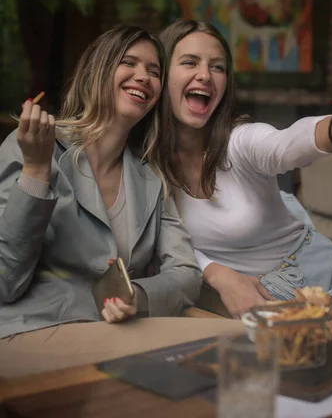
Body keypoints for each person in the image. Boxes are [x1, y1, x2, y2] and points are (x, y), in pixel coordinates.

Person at [150, 20, 332, 319]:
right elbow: (159, 238)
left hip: (326, 278)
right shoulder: (147, 162)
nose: (205, 75)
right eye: (190, 62)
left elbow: (286, 144)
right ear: (162, 76)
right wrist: (217, 273)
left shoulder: (240, 141)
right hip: (259, 298)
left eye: (217, 67)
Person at [0, 25, 202, 338]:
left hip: (116, 335)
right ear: (98, 71)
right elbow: (5, 281)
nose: (143, 76)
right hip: (31, 330)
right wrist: (37, 172)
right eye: (129, 62)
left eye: (154, 71)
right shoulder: (31, 147)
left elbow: (186, 273)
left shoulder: (153, 177)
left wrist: (136, 295)